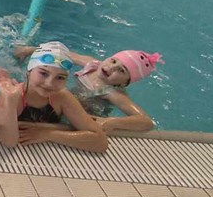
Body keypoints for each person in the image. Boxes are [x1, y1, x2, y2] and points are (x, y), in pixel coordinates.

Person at [0, 42, 108, 153]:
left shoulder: (62, 96)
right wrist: (10, 101)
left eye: (60, 78)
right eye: (43, 73)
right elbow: (10, 142)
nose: (50, 83)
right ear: (29, 72)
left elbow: (100, 142)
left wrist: (49, 134)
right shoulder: (12, 94)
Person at [14, 43, 161, 132]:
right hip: (63, 103)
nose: (111, 68)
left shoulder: (113, 93)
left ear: (124, 83)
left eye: (121, 70)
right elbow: (64, 54)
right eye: (113, 61)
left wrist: (111, 122)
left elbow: (146, 121)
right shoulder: (92, 65)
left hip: (79, 116)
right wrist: (30, 50)